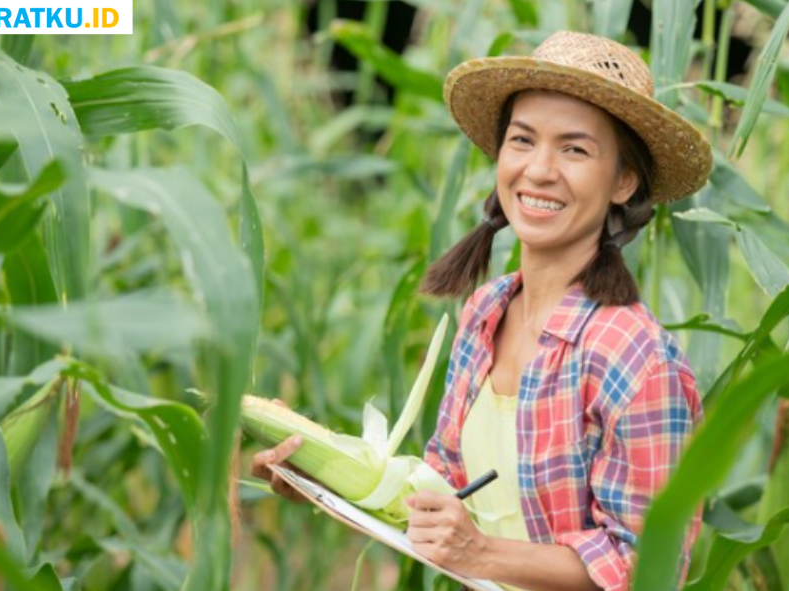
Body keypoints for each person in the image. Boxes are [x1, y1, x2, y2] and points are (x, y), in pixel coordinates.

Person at [251, 30, 712, 591]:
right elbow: (441, 491)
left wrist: (482, 553)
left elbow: (649, 566)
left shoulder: (636, 360)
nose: (539, 170)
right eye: (522, 140)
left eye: (575, 149)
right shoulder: (486, 312)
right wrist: (320, 474)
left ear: (623, 181)